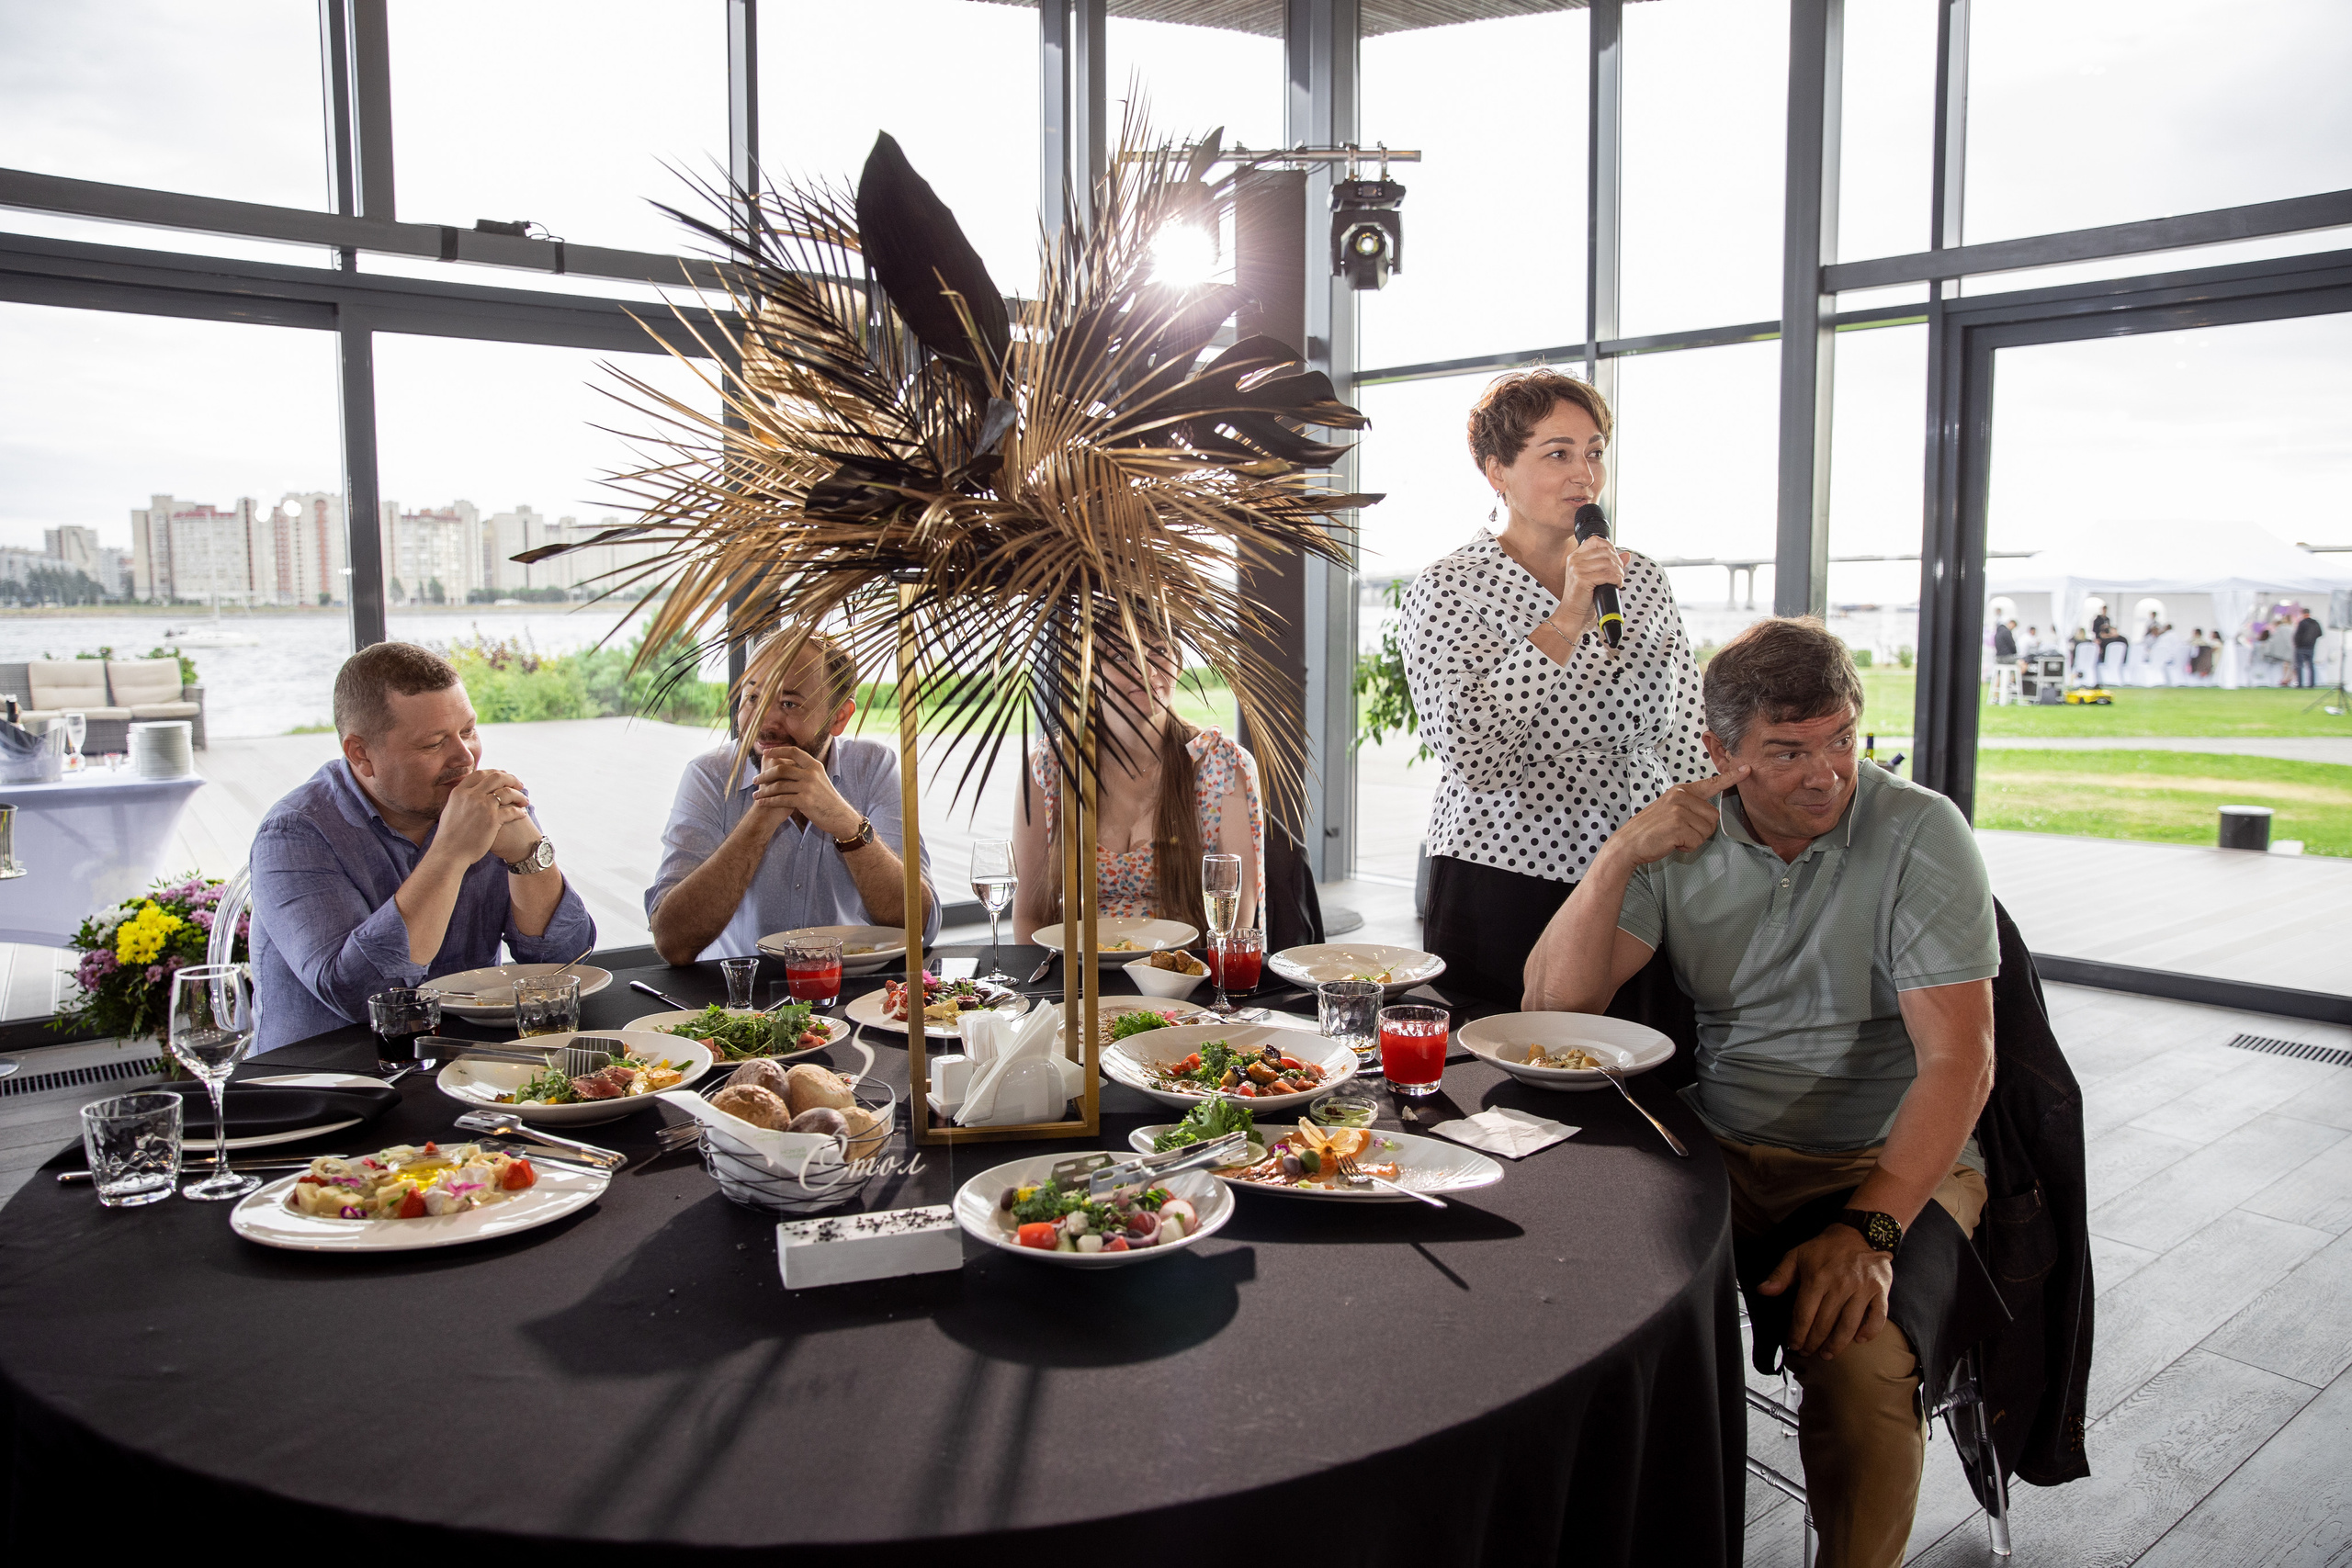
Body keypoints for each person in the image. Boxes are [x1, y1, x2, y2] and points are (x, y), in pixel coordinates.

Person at [1521, 616, 1996, 1568]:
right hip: (1721, 1146)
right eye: (1786, 752)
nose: (1824, 774)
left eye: (1839, 741)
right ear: (1720, 753)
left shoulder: (1918, 831)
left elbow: (1959, 1064)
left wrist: (1869, 1232)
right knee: (1565, 1289)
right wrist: (1619, 853)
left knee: (1860, 1370)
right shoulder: (1682, 838)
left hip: (1886, 1154)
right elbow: (1551, 1009)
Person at [1400, 367, 1707, 998]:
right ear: (1497, 471)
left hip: (1643, 878)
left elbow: (1686, 735)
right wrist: (1567, 614)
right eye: (1558, 453)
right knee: (1503, 1078)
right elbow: (1472, 754)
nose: (1585, 474)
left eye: (1595, 452)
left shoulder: (1641, 578)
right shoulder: (1449, 587)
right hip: (1505, 874)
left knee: (1637, 1073)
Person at [249, 642, 595, 1051]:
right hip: (329, 1082)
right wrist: (450, 854)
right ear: (361, 755)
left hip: (468, 1062)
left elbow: (566, 960)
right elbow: (360, 997)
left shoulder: (483, 803)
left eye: (468, 731)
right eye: (434, 744)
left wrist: (529, 856)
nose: (465, 757)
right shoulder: (294, 833)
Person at [647, 632, 937, 964]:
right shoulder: (709, 775)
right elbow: (672, 942)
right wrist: (761, 817)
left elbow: (920, 927)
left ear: (839, 716)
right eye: (753, 697)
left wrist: (845, 822)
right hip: (739, 1004)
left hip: (853, 992)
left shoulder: (872, 768)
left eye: (788, 704)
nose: (764, 722)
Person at [1011, 636, 1263, 942]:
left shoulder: (1221, 765)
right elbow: (1028, 917)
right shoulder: (1049, 768)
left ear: (1179, 664)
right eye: (1120, 655)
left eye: (1158, 651)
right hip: (1077, 978)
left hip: (1184, 977)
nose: (1146, 670)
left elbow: (1236, 920)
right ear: (1088, 670)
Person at [2293, 606, 2324, 688]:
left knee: (2299, 665)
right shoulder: (2315, 623)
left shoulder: (2302, 623)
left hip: (2301, 647)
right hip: (2311, 647)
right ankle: (2312, 683)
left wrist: (2297, 643)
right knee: (2311, 665)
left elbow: (2298, 635)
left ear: (2303, 614)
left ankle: (2300, 684)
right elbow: (2320, 633)